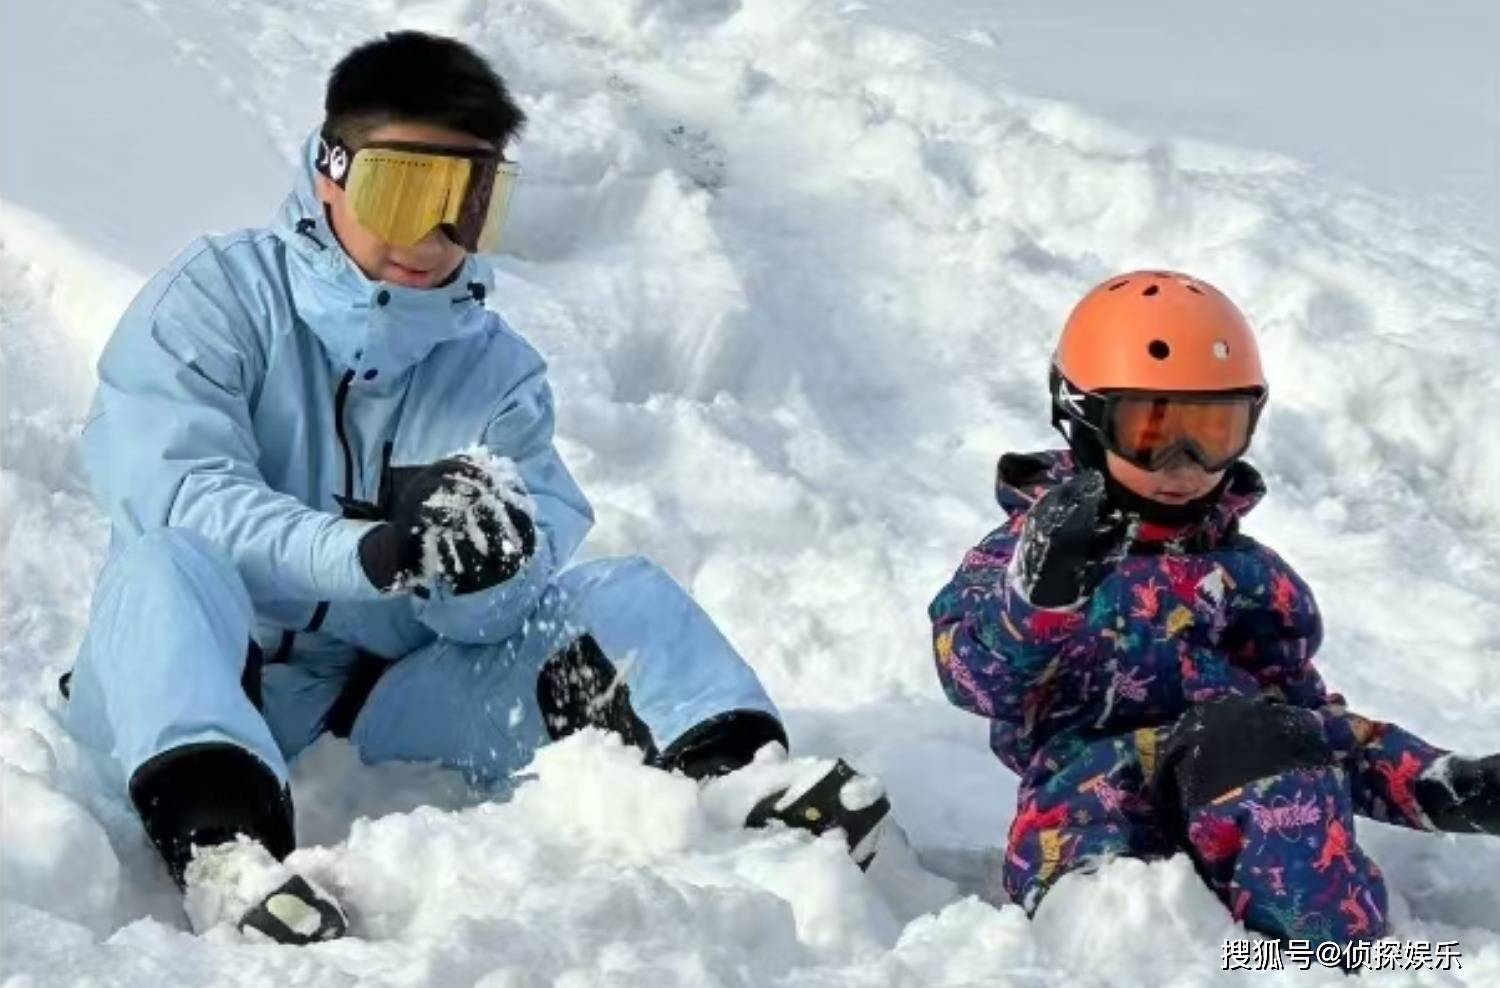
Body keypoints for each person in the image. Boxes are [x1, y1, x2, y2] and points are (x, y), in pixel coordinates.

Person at [64, 31, 889, 945]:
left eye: (467, 203)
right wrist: (365, 552)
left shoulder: (495, 373)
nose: (432, 237)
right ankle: (227, 856)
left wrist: (486, 573)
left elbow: (513, 613)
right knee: (166, 565)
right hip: (187, 680)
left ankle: (738, 782)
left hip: (379, 703)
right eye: (405, 192)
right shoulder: (217, 300)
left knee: (621, 593)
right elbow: (174, 492)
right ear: (329, 172)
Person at [930, 270, 1500, 949]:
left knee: (1267, 741)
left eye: (1213, 431)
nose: (1186, 464)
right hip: (1089, 820)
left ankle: (1327, 960)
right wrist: (1037, 597)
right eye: (1153, 431)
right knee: (1118, 941)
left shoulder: (1252, 579)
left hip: (1252, 811)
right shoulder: (1029, 557)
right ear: (1085, 418)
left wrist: (1439, 784)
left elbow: (1309, 726)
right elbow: (975, 679)